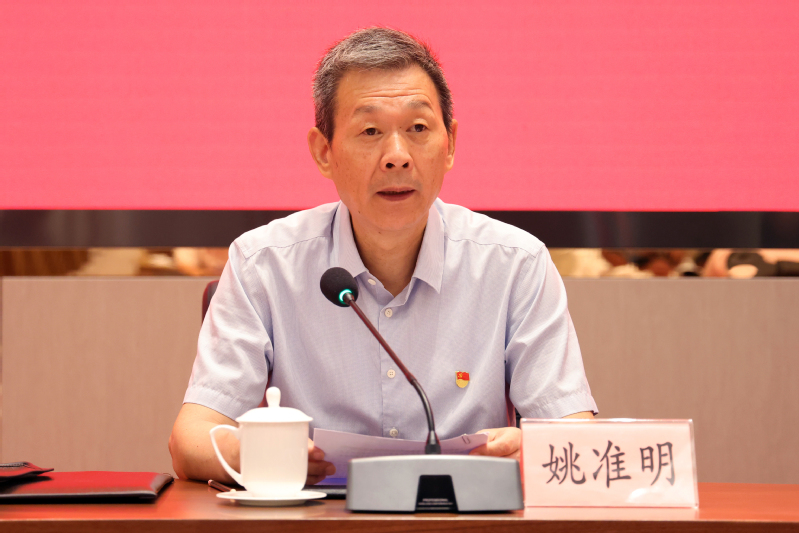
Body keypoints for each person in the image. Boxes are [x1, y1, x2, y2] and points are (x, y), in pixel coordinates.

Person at [169, 27, 597, 486]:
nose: (397, 156)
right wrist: (259, 452)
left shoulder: (516, 265)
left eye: (418, 129)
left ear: (450, 144)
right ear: (324, 152)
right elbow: (190, 440)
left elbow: (574, 437)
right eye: (370, 131)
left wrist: (534, 451)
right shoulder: (263, 264)